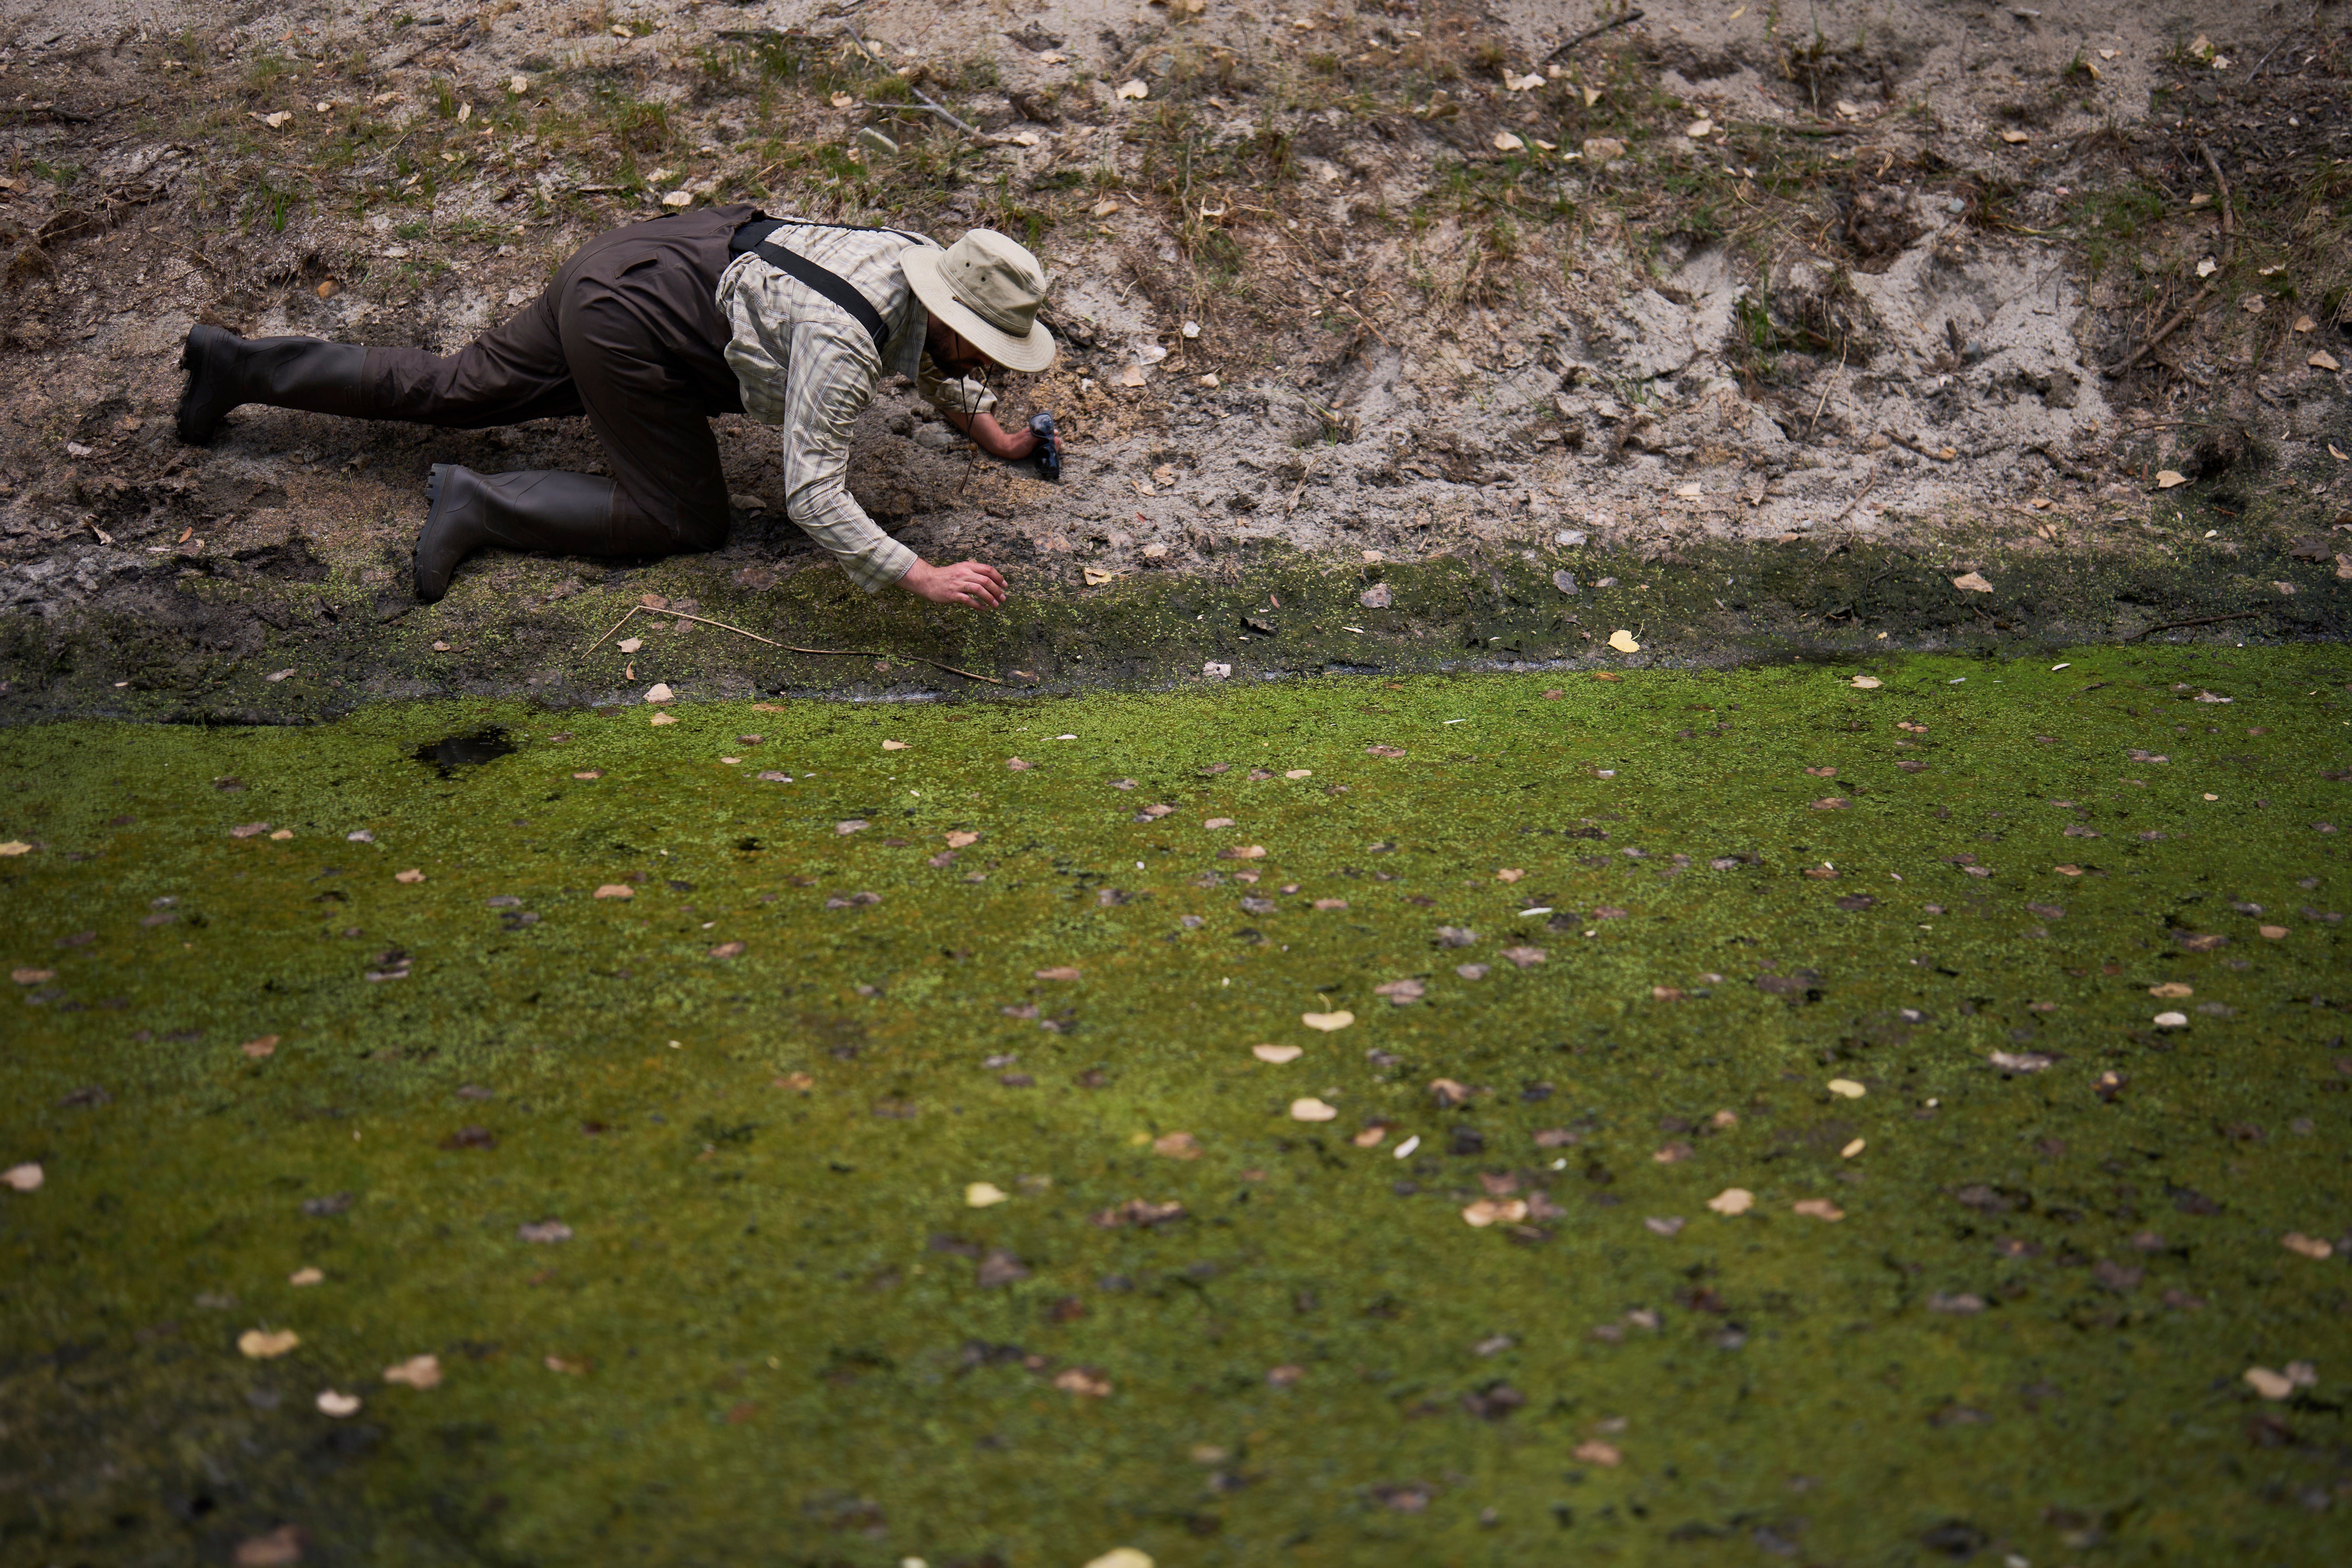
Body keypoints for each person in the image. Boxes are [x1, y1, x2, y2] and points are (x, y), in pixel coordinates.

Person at [171, 205, 1060, 608]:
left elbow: (931, 355)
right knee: (682, 516)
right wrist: (920, 574)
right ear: (954, 312)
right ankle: (480, 504)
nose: (986, 357)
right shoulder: (843, 341)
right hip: (637, 327)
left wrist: (994, 432)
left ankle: (237, 366)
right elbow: (813, 494)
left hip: (634, 260)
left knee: (459, 385)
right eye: (987, 342)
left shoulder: (908, 259)